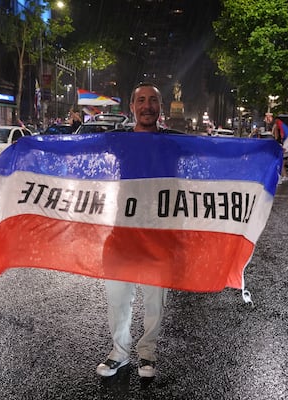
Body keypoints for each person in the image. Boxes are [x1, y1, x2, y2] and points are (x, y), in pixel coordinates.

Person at [95, 83, 168, 379]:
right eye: (141, 100)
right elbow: (82, 154)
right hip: (122, 233)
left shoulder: (173, 144)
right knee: (117, 299)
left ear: (160, 107)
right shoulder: (120, 142)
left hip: (158, 236)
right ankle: (119, 353)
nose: (147, 106)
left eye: (152, 100)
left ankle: (147, 353)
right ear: (132, 107)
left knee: (155, 302)